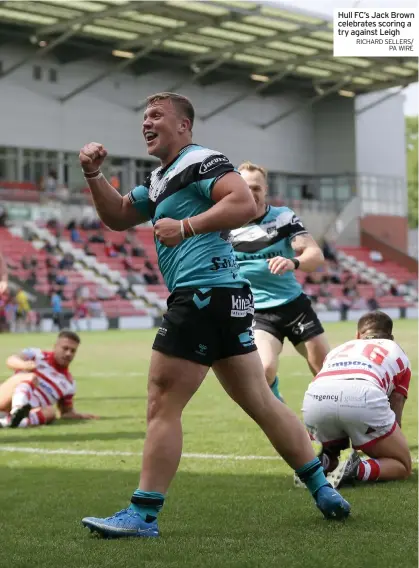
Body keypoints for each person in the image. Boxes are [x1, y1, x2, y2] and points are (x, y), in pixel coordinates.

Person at [78, 91, 350, 539]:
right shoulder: (162, 178)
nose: (147, 123)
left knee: (162, 401)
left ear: (184, 125)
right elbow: (119, 215)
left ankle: (143, 515)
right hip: (224, 297)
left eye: (157, 116)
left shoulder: (201, 160)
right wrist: (93, 174)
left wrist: (185, 227)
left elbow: (242, 203)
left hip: (201, 294)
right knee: (261, 399)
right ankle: (322, 488)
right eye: (143, 116)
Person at [230, 162, 329, 401]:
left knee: (326, 371)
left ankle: (332, 425)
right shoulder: (226, 225)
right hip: (257, 312)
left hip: (294, 306)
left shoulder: (283, 217)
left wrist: (293, 262)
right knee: (264, 370)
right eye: (245, 187)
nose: (251, 192)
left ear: (265, 190)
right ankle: (292, 431)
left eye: (256, 187)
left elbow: (315, 256)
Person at [302, 311, 412, 488]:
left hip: (315, 399)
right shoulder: (398, 352)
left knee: (335, 449)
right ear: (391, 337)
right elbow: (397, 401)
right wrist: (394, 442)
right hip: (362, 395)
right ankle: (357, 468)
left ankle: (321, 463)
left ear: (358, 335)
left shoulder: (339, 349)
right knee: (402, 465)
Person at [0, 330, 98, 428]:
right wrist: (24, 365)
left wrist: (80, 415)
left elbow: (65, 412)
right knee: (31, 378)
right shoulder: (36, 355)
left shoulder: (69, 383)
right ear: (55, 346)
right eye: (65, 348)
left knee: (51, 412)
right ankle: (16, 411)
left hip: (30, 409)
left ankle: (9, 422)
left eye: (73, 351)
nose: (68, 353)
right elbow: (11, 360)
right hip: (6, 397)